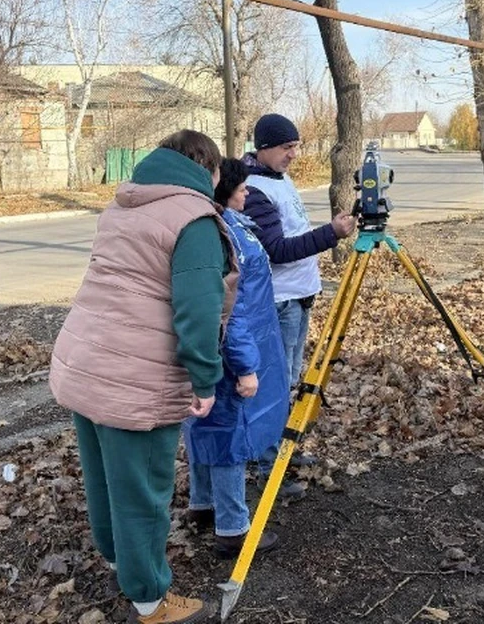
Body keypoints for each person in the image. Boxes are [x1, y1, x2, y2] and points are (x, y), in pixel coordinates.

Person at [50, 130, 237, 624]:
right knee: (143, 491)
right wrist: (204, 380)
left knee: (106, 478)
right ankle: (150, 598)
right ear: (209, 171)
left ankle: (118, 559)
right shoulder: (193, 218)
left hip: (87, 361)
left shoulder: (123, 205)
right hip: (136, 377)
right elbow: (199, 310)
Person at [242, 113, 357, 495]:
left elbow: (291, 231)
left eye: (296, 146)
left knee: (289, 381)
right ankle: (267, 463)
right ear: (265, 148)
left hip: (298, 297)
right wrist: (330, 235)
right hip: (279, 302)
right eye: (287, 147)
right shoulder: (255, 189)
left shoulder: (278, 177)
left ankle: (283, 451)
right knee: (274, 385)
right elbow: (276, 250)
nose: (294, 154)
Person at [182, 157, 289, 559]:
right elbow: (232, 310)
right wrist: (245, 366)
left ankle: (203, 503)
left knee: (205, 425)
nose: (248, 192)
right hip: (231, 351)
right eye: (242, 187)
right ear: (223, 192)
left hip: (222, 346)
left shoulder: (219, 226)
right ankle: (233, 528)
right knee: (228, 434)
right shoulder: (225, 236)